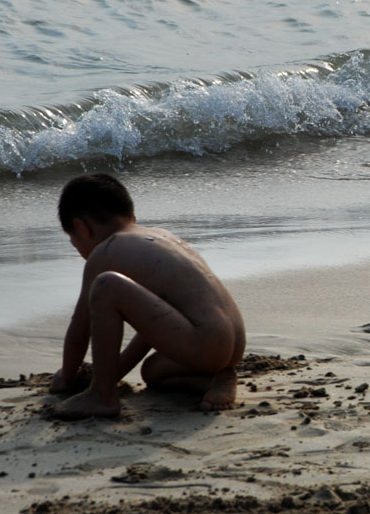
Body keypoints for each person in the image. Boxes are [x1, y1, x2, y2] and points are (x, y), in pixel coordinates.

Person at [50, 173, 245, 419]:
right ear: (131, 217)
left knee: (105, 286)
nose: (79, 250)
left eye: (73, 242)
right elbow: (157, 321)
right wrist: (115, 370)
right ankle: (214, 378)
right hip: (231, 343)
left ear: (82, 227)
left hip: (204, 343)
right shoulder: (160, 237)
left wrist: (67, 377)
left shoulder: (105, 253)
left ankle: (102, 395)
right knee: (153, 372)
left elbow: (79, 333)